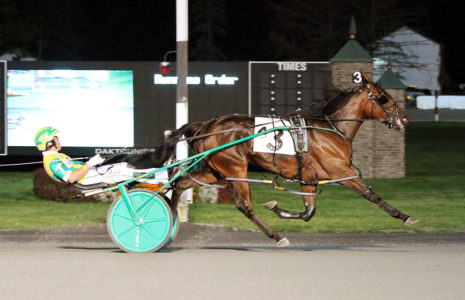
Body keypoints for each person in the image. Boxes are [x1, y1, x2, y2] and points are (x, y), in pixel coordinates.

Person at [35, 127, 169, 186]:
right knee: (126, 170)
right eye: (56, 139)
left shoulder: (55, 157)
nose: (59, 141)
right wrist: (89, 164)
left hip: (89, 174)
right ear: (49, 143)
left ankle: (161, 173)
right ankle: (163, 177)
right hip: (87, 178)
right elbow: (71, 178)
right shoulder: (52, 162)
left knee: (124, 165)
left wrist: (89, 163)